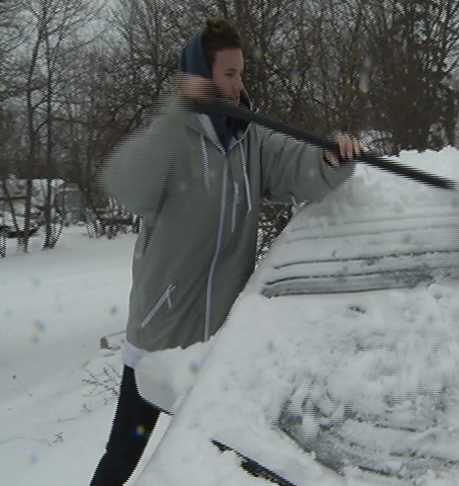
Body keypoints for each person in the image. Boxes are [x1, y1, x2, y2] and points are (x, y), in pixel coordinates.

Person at [90, 18, 360, 486]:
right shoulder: (174, 138)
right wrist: (177, 112)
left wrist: (331, 160)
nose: (239, 85)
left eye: (241, 74)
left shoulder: (251, 138)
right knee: (124, 453)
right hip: (160, 338)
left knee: (208, 461)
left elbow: (299, 166)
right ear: (201, 73)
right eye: (229, 74)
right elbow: (125, 184)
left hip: (218, 344)